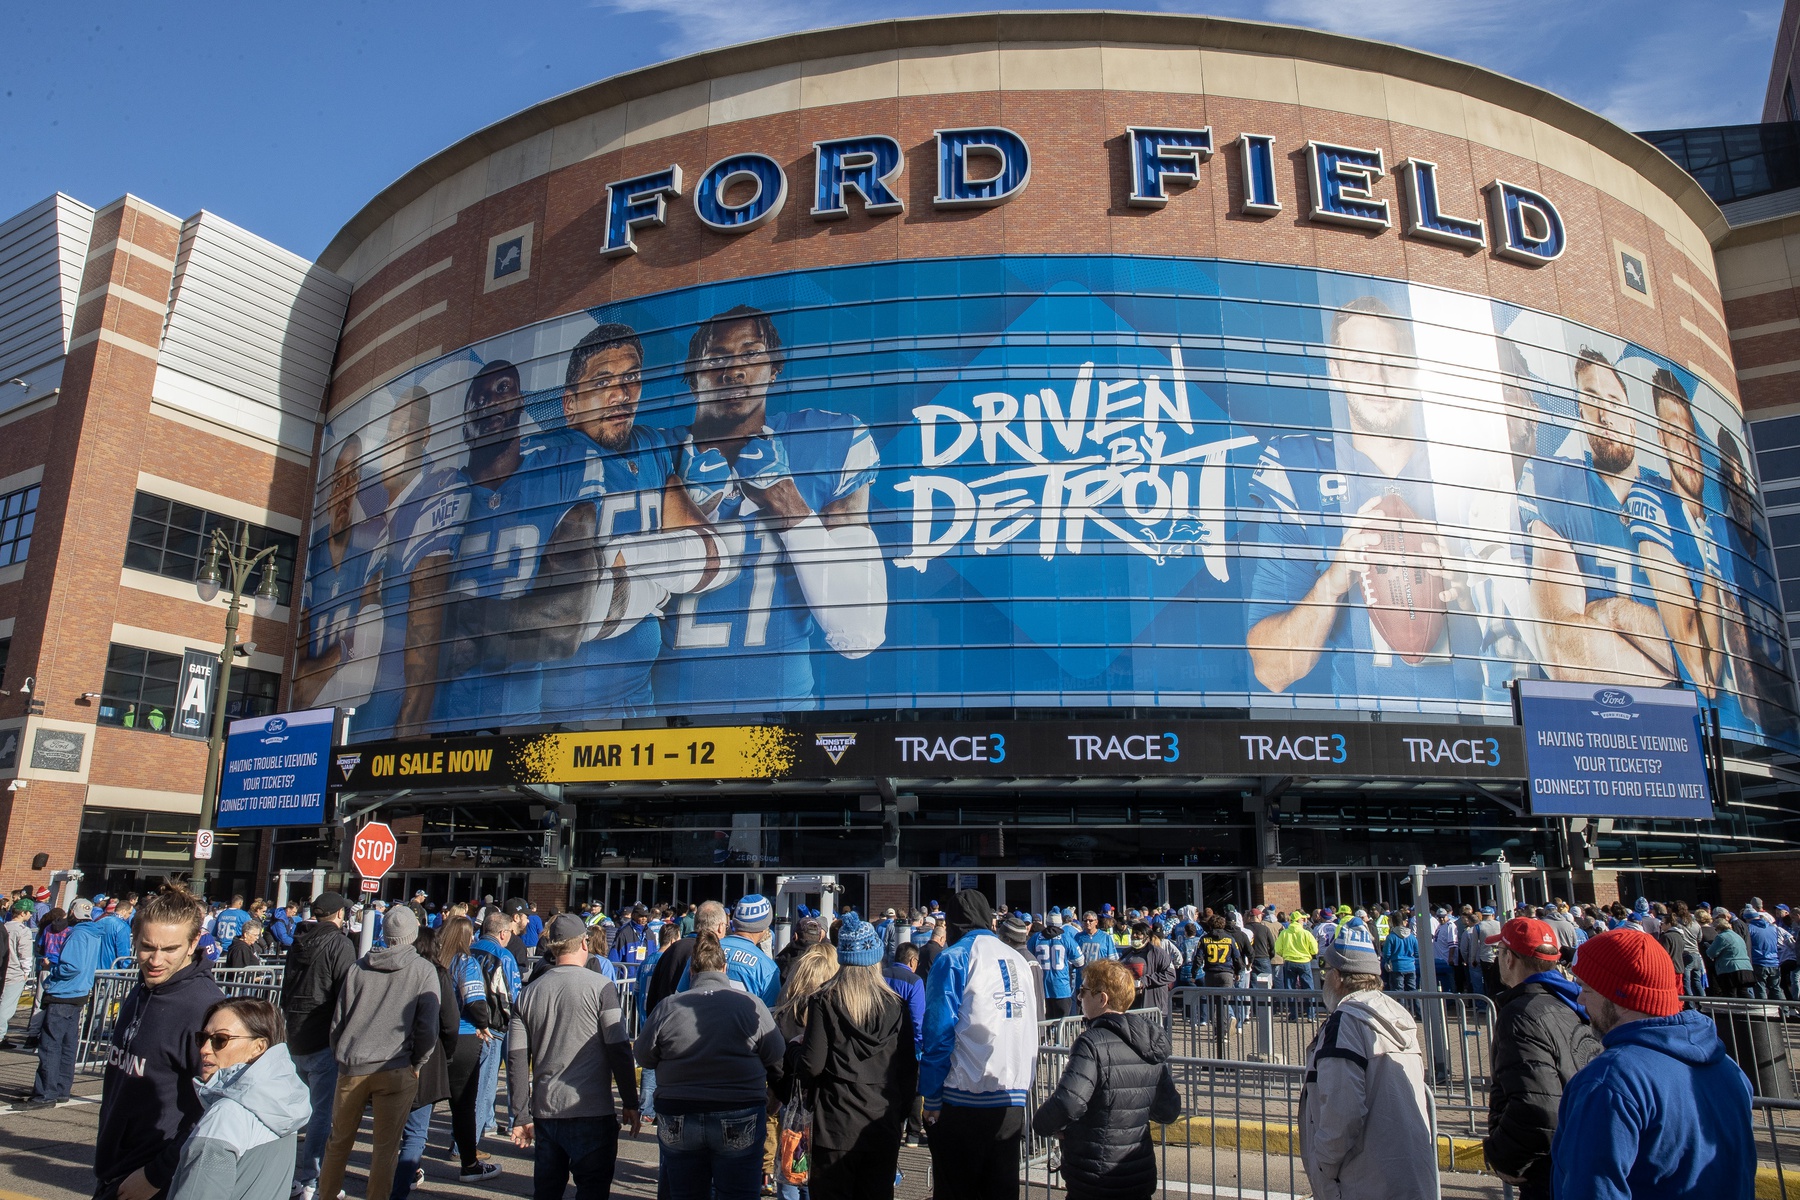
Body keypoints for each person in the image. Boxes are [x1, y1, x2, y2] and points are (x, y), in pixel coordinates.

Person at [656, 304, 886, 708]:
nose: (734, 370)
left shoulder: (829, 441)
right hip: (658, 715)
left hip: (782, 715)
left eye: (750, 353)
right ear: (693, 374)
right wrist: (691, 509)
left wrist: (788, 505)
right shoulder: (651, 454)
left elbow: (859, 633)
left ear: (774, 367)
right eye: (717, 358)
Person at [1552, 927, 1755, 1198]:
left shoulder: (1609, 1081)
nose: (1580, 998)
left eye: (1587, 988)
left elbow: (1592, 1190)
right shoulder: (1729, 1068)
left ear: (1620, 996)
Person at [95, 886, 227, 1200]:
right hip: (113, 1169)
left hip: (157, 1179)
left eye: (170, 949)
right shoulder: (144, 986)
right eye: (147, 947)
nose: (155, 959)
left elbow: (220, 1107)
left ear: (194, 942)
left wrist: (155, 1176)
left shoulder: (205, 1010)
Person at [635, 931, 786, 1200]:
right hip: (738, 1108)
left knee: (685, 1193)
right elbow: (775, 1052)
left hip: (679, 1110)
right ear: (724, 968)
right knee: (738, 1193)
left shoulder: (668, 1007)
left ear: (691, 970)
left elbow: (644, 1056)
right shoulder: (751, 1004)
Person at [1297, 919, 1434, 1200]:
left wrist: (1324, 1165)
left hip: (1364, 1179)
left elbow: (1342, 1109)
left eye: (1327, 973)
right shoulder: (1397, 1014)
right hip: (1408, 1174)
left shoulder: (1345, 1023)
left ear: (1338, 976)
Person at [507, 913, 641, 1200]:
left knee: (547, 1190)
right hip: (592, 1109)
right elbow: (618, 1047)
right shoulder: (601, 987)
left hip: (546, 1110)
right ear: (584, 943)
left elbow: (516, 1058)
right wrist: (631, 1101)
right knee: (592, 1191)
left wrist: (520, 1114)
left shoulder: (527, 994)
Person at [920, 889, 1039, 1200]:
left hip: (963, 1097)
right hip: (1011, 1096)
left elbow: (938, 1031)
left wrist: (930, 1095)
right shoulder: (1019, 959)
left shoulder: (953, 958)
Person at [317, 907, 442, 1200]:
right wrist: (418, 1062)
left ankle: (326, 1194)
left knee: (338, 1143)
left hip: (354, 1063)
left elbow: (339, 1019)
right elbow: (427, 1027)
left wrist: (342, 1053)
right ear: (412, 934)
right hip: (396, 1066)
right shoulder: (423, 971)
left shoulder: (359, 968)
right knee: (385, 1150)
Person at [1031, 959, 1181, 1200]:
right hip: (1136, 1172)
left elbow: (1069, 1102)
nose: (1079, 998)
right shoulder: (1148, 1042)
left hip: (1096, 1176)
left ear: (1102, 999)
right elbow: (1168, 1109)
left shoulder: (1092, 1042)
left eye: (1083, 991)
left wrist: (1042, 1124)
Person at [794, 918, 917, 1200]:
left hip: (834, 1124)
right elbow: (909, 1068)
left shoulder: (825, 999)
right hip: (881, 1123)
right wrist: (900, 1114)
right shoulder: (896, 1005)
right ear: (875, 960)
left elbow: (812, 1064)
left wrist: (792, 1053)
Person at [1483, 917, 1601, 1200]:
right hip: (1575, 1154)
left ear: (1509, 958)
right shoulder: (1573, 1001)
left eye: (1499, 952)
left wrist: (1504, 1158)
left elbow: (1536, 1104)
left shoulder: (1522, 1013)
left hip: (1545, 1169)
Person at [168, 998, 311, 1200]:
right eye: (203, 1038)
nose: (204, 1049)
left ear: (259, 1047)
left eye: (220, 1040)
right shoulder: (281, 1101)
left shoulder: (225, 1116)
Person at [280, 890, 355, 1200]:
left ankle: (291, 1176)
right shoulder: (340, 944)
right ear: (338, 915)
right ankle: (312, 1178)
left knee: (293, 1111)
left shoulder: (298, 940)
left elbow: (287, 987)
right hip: (323, 1035)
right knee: (320, 1114)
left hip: (296, 1034)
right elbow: (346, 994)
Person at [11, 896, 103, 1110]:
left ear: (73, 912)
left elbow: (71, 967)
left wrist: (53, 968)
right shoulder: (92, 933)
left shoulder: (77, 935)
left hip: (64, 993)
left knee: (51, 1045)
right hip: (78, 992)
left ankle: (46, 1093)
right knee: (67, 1045)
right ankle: (60, 1088)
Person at [393, 925, 456, 1200]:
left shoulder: (392, 971)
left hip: (391, 1055)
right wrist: (447, 1053)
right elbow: (450, 1021)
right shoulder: (435, 973)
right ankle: (398, 1188)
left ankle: (400, 1177)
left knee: (390, 1129)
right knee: (416, 1131)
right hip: (423, 1057)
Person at [439, 918, 501, 1183]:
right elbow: (475, 1001)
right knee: (464, 1105)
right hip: (464, 1036)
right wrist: (484, 1024)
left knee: (420, 1105)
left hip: (433, 1037)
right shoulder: (465, 962)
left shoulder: (434, 962)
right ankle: (469, 1164)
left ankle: (407, 1164)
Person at [678, 895, 780, 1006]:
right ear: (765, 926)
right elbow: (770, 1018)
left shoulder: (703, 951)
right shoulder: (767, 968)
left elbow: (679, 1000)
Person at [1198, 915, 1245, 1051]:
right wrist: (1238, 971)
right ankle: (1223, 1033)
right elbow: (1237, 957)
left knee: (1212, 1004)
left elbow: (1198, 957)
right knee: (1224, 1004)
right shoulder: (1230, 939)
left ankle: (1216, 1032)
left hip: (1211, 973)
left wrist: (1195, 973)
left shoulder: (1205, 939)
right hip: (1226, 974)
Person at [1030, 912, 1084, 1020]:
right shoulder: (1066, 938)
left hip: (1041, 987)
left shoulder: (1036, 937)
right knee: (1062, 1026)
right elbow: (1080, 961)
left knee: (1044, 1025)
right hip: (1061, 987)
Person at [0, 899, 33, 1048]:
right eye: (29, 912)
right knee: (6, 1008)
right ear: (23, 913)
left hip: (3, 970)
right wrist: (26, 972)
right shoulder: (23, 930)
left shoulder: (4, 927)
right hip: (14, 973)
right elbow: (25, 954)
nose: (31, 915)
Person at [1275, 910, 1319, 1019]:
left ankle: (1293, 1015)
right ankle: (1311, 1015)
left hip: (1289, 962)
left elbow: (1278, 949)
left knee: (1290, 989)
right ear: (1299, 920)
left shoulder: (1284, 933)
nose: (1304, 921)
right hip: (1304, 962)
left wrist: (1285, 954)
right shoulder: (1306, 933)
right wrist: (1307, 953)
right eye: (1302, 919)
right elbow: (1314, 950)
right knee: (1309, 989)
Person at [1703, 912, 1755, 997]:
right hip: (1746, 968)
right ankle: (1750, 1009)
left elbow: (1711, 953)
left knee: (1730, 994)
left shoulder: (1721, 937)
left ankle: (1733, 1010)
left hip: (1730, 968)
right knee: (1743, 993)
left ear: (1717, 928)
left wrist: (1708, 946)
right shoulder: (1737, 936)